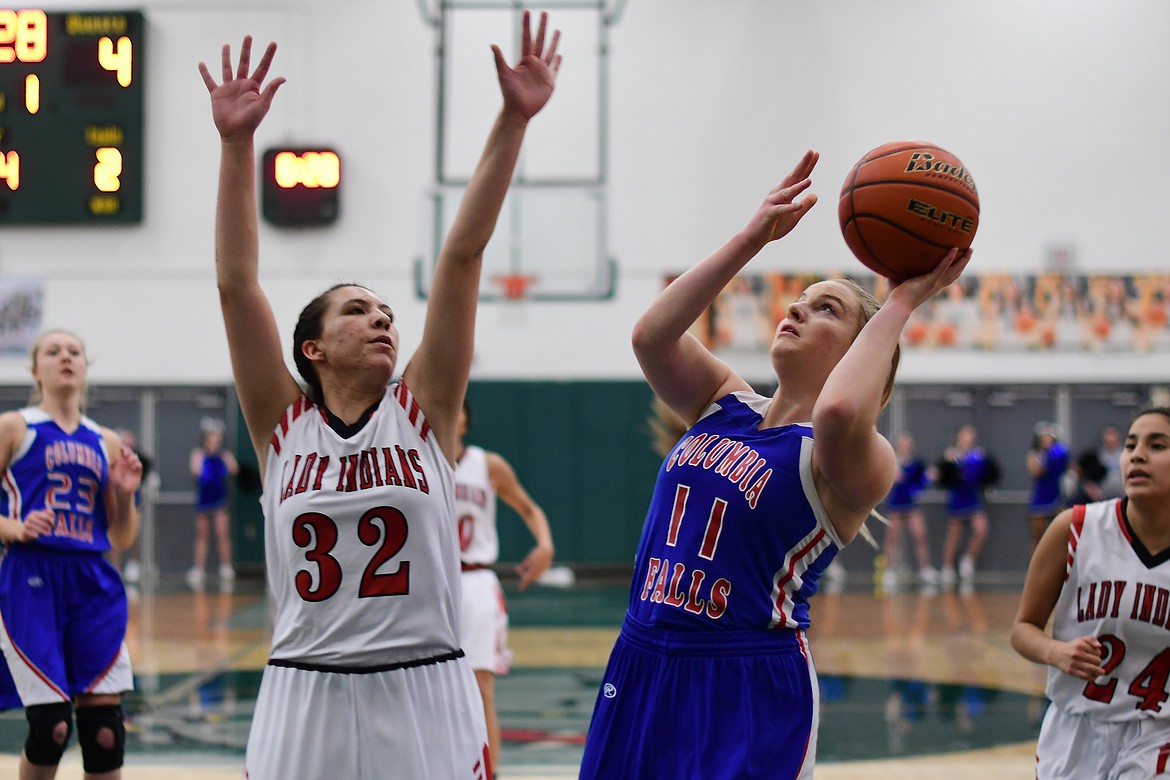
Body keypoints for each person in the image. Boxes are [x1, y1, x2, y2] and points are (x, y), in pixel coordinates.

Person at [199, 13, 561, 779]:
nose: (382, 320)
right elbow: (237, 286)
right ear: (313, 348)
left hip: (426, 681)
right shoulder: (281, 426)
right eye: (358, 311)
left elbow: (461, 257)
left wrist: (512, 119)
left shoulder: (422, 413)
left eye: (387, 313)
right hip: (304, 685)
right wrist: (237, 148)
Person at [577, 149, 971, 779]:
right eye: (801, 301)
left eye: (827, 311)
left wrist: (901, 303)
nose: (796, 311)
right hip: (643, 655)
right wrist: (752, 235)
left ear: (858, 352)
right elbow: (652, 335)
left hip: (745, 677)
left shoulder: (853, 457)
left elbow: (841, 409)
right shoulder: (725, 405)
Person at [0, 329, 144, 778]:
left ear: (84, 368)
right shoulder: (14, 426)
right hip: (30, 577)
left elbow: (121, 537)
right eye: (53, 351)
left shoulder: (106, 442)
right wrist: (15, 528)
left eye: (75, 351)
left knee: (105, 732)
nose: (66, 357)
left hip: (90, 578)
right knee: (52, 727)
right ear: (36, 369)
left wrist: (124, 496)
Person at [1011, 407, 1170, 780]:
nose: (1138, 455)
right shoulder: (1076, 527)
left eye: (1157, 445)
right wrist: (1056, 652)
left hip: (1157, 733)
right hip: (1075, 728)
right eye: (1131, 445)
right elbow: (1022, 628)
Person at [454, 399, 554, 771]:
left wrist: (545, 544)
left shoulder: (487, 464)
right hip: (428, 585)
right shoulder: (415, 460)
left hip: (476, 582)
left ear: (466, 420)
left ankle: (490, 772)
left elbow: (529, 508)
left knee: (481, 689)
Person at [935, 424, 996, 588]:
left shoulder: (978, 455)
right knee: (954, 534)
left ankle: (968, 560)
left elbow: (988, 473)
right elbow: (943, 476)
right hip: (957, 498)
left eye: (970, 435)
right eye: (965, 435)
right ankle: (947, 566)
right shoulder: (951, 455)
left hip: (973, 498)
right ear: (958, 437)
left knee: (981, 529)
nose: (968, 438)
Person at [186, 418, 239, 590]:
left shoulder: (224, 455)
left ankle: (226, 567)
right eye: (212, 438)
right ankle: (199, 569)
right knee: (202, 535)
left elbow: (234, 469)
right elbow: (195, 471)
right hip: (204, 499)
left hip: (220, 500)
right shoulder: (198, 454)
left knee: (222, 532)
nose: (215, 441)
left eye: (217, 438)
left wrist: (225, 460)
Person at [881, 431, 938, 591]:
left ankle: (925, 569)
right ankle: (889, 571)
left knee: (920, 535)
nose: (905, 446)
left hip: (911, 505)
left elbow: (921, 481)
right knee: (892, 538)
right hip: (896, 506)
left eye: (908, 443)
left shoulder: (916, 463)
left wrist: (928, 478)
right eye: (903, 443)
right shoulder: (892, 462)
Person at [1026, 421, 1070, 552]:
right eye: (1044, 438)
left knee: (1063, 532)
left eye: (1049, 438)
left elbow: (1069, 468)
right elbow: (1035, 471)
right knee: (1037, 536)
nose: (1047, 441)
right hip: (1040, 497)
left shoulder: (1058, 454)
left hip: (1057, 496)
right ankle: (1034, 568)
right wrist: (1048, 459)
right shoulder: (1035, 455)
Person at [1096, 423, 1125, 499]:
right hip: (1104, 495)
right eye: (1108, 435)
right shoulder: (1099, 456)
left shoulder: (1125, 455)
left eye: (1113, 435)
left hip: (1122, 494)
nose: (1111, 438)